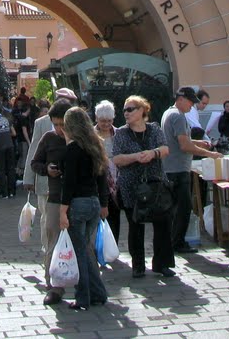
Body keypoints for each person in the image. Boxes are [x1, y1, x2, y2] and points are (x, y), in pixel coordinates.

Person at [112, 94, 174, 278]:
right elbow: (116, 158)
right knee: (135, 225)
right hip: (131, 186)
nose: (126, 113)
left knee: (162, 223)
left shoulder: (154, 129)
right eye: (124, 110)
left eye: (130, 109)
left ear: (142, 111)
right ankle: (138, 265)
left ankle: (161, 264)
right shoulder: (121, 133)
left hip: (156, 184)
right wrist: (135, 157)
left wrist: (153, 153)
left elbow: (165, 149)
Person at [58, 107, 110, 311]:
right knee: (87, 250)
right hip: (93, 202)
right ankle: (98, 293)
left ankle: (83, 297)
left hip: (78, 204)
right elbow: (102, 178)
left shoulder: (73, 150)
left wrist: (63, 211)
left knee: (79, 251)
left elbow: (69, 184)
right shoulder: (95, 147)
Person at [162, 86, 222, 254]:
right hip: (178, 169)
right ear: (181, 99)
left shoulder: (169, 113)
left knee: (175, 208)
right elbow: (184, 145)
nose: (192, 106)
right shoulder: (178, 117)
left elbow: (180, 140)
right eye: (190, 102)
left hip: (171, 168)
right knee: (183, 208)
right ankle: (178, 243)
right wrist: (209, 153)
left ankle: (173, 241)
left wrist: (198, 142)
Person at [24, 88, 78, 252]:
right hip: (45, 181)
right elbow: (34, 150)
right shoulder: (41, 123)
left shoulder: (78, 122)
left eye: (67, 100)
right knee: (47, 218)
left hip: (71, 184)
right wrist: (28, 178)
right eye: (61, 99)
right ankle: (49, 249)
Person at [30, 100, 70, 305]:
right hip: (54, 196)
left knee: (82, 242)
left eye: (63, 124)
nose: (59, 129)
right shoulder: (49, 138)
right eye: (56, 124)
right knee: (52, 238)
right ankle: (52, 284)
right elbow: (34, 162)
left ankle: (85, 282)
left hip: (77, 197)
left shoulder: (82, 138)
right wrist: (47, 169)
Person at [93, 100, 122, 245]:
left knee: (115, 214)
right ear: (96, 118)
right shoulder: (91, 135)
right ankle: (100, 247)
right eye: (102, 121)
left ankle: (113, 246)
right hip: (98, 179)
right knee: (99, 215)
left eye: (109, 121)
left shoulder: (119, 133)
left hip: (117, 179)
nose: (106, 124)